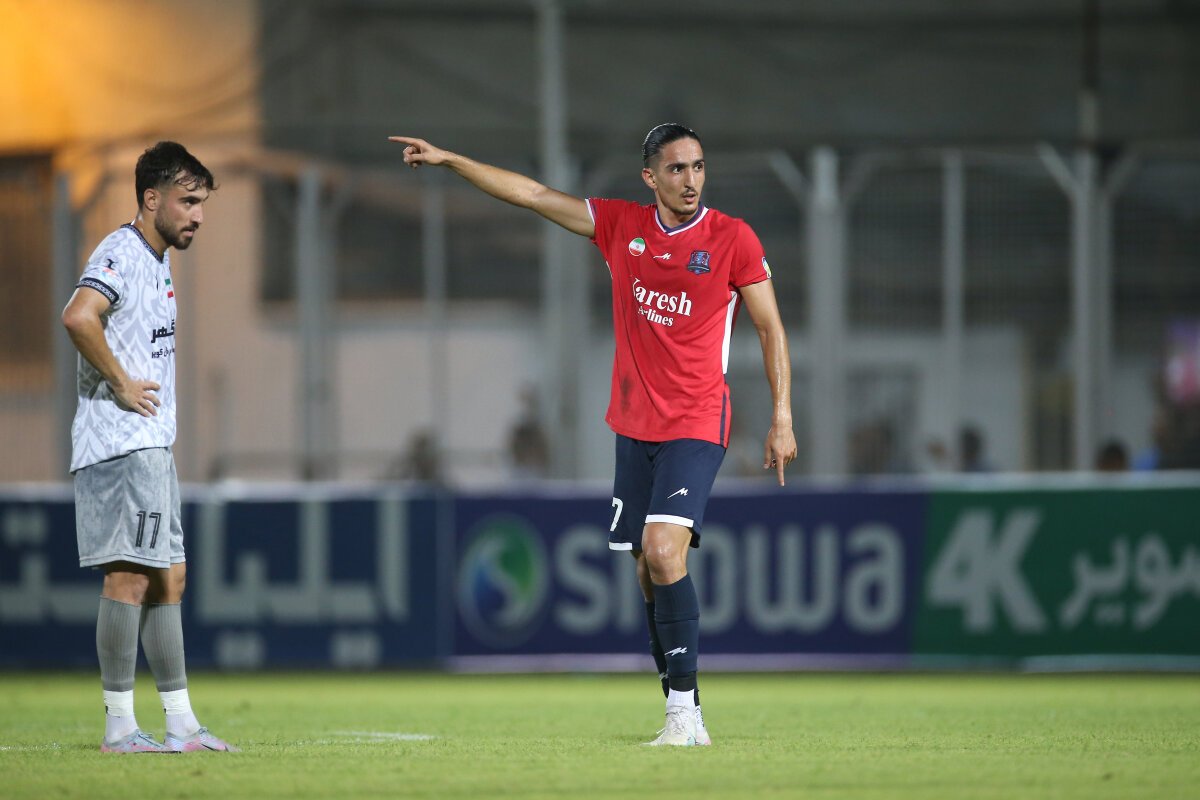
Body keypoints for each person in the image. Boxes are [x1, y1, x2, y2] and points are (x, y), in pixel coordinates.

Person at [389, 124, 797, 747]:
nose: (691, 180)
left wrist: (781, 416)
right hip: (633, 426)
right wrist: (450, 161)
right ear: (650, 177)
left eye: (698, 166)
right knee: (647, 570)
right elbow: (531, 194)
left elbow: (770, 327)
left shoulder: (732, 238)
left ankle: (684, 716)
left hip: (697, 419)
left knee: (663, 551)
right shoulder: (620, 226)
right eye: (677, 169)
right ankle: (682, 704)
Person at [60, 141, 237, 753]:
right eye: (188, 202)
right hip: (121, 444)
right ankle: (119, 727)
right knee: (130, 578)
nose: (197, 215)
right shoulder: (121, 252)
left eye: (202, 204)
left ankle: (181, 725)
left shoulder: (155, 260)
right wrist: (120, 382)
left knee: (169, 579)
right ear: (151, 198)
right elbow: (78, 315)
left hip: (150, 445)